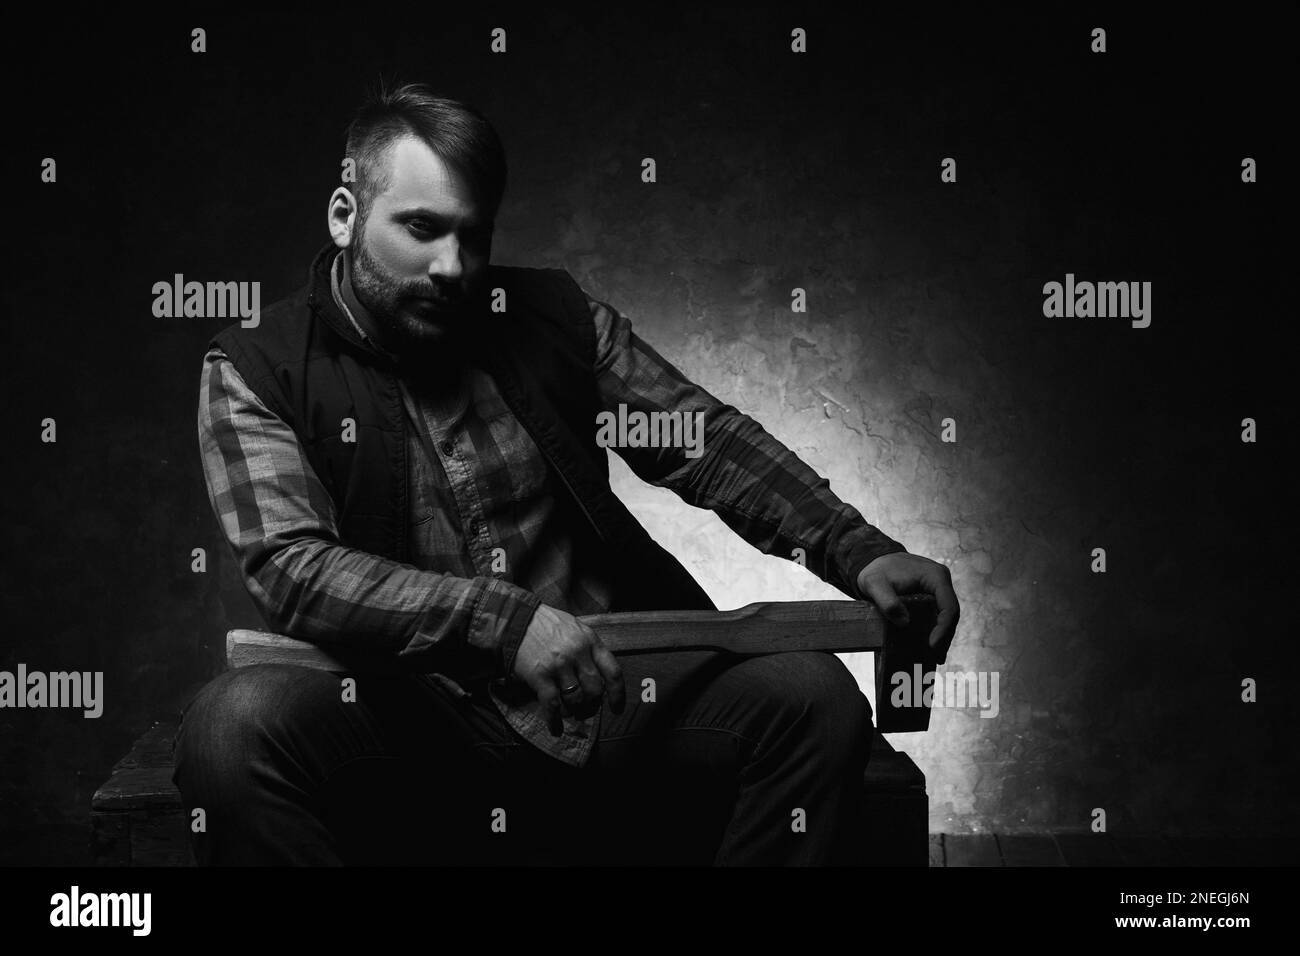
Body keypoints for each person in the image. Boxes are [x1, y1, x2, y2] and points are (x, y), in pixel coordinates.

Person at [173, 80, 960, 866]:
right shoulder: (254, 366)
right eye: (420, 228)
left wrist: (859, 549)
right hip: (406, 719)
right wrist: (499, 622)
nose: (453, 266)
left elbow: (703, 441)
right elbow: (293, 569)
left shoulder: (553, 317)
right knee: (230, 731)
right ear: (346, 213)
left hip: (614, 700)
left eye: (471, 236)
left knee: (812, 698)